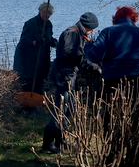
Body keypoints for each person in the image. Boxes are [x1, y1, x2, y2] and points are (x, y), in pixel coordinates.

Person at [42, 12, 100, 153]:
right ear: (87, 26)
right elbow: (68, 54)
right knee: (60, 111)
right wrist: (86, 57)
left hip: (68, 76)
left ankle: (60, 140)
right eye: (92, 28)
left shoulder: (77, 33)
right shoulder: (72, 33)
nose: (92, 32)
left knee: (70, 109)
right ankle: (48, 144)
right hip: (64, 76)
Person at [84, 5, 139, 92]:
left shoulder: (107, 32)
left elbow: (95, 56)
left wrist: (88, 45)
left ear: (115, 19)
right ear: (134, 19)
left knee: (115, 105)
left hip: (114, 79)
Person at [13, 2, 56, 94]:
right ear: (40, 12)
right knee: (28, 86)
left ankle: (36, 105)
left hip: (41, 60)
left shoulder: (48, 25)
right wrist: (35, 42)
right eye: (45, 12)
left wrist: (54, 43)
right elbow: (23, 42)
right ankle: (27, 106)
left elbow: (48, 38)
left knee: (39, 85)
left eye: (49, 13)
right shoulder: (30, 23)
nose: (47, 15)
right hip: (28, 62)